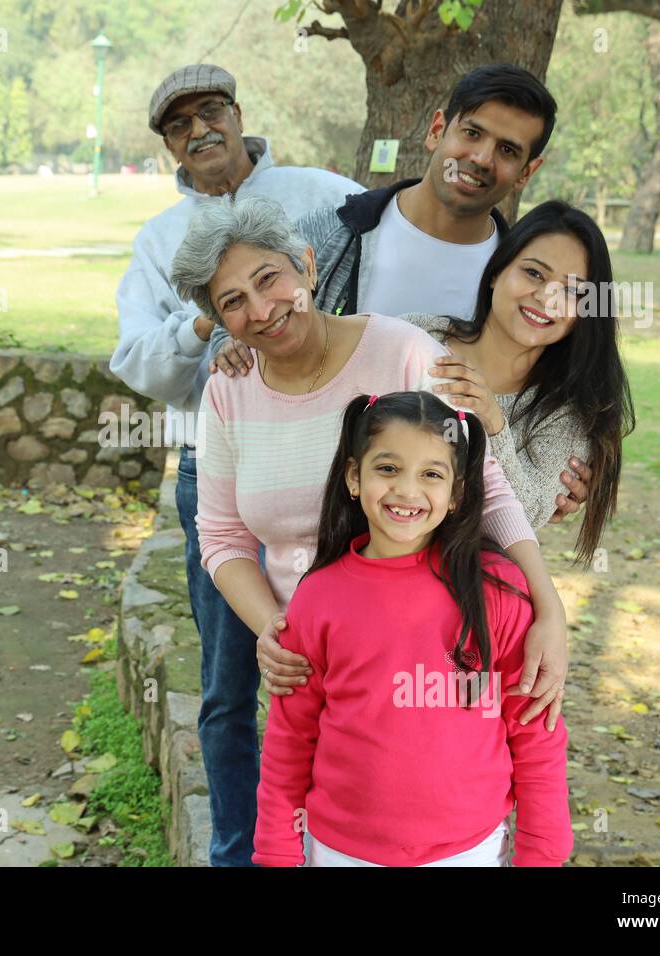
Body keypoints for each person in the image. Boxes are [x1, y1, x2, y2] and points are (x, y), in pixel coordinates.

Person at [172, 196, 570, 851]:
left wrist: (546, 606)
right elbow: (220, 536)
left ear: (306, 264)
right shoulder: (228, 390)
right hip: (314, 646)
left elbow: (482, 480)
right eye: (232, 302)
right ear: (217, 321)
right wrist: (275, 629)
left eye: (269, 280)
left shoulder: (404, 353)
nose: (261, 309)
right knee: (302, 791)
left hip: (420, 632)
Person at [108, 64, 365, 867]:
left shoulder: (322, 195)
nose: (199, 130)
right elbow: (136, 363)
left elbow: (377, 290)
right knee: (229, 685)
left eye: (210, 111)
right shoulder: (159, 241)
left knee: (336, 663)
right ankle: (238, 851)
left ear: (238, 113)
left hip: (333, 467)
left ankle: (336, 839)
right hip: (218, 470)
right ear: (168, 146)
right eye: (179, 125)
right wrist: (203, 330)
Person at [251, 391, 572, 867]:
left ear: (457, 493)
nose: (406, 490)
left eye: (431, 475)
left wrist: (542, 853)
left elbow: (535, 730)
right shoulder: (318, 597)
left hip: (471, 852)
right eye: (387, 469)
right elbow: (289, 740)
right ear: (354, 478)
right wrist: (276, 851)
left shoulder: (498, 592)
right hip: (339, 852)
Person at [407, 200, 636, 557]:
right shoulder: (419, 337)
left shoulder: (566, 415)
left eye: (572, 291)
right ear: (498, 271)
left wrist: (492, 422)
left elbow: (524, 516)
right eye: (533, 273)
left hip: (465, 588)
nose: (547, 297)